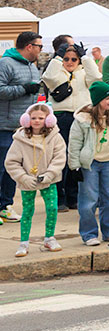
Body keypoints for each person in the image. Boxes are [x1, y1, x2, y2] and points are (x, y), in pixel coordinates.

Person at [69, 81, 109, 246]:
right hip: (90, 163)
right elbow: (74, 143)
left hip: (108, 162)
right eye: (107, 98)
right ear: (98, 99)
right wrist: (74, 166)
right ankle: (89, 234)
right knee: (89, 199)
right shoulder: (83, 119)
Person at [7, 102, 66, 256]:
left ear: (49, 120)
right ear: (26, 119)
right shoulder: (19, 139)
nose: (37, 121)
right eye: (33, 118)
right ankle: (24, 242)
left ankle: (49, 238)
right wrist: (23, 177)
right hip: (28, 181)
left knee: (52, 209)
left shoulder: (56, 137)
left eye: (41, 118)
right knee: (27, 211)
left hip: (48, 180)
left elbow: (59, 158)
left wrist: (50, 174)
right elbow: (11, 162)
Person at [42, 41, 94, 208]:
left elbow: (96, 78)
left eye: (74, 59)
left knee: (76, 156)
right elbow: (48, 78)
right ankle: (59, 196)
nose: (70, 62)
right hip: (61, 117)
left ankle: (74, 196)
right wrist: (57, 58)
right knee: (60, 157)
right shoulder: (57, 72)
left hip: (80, 117)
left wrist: (85, 57)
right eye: (66, 59)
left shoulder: (83, 73)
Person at [0, 31, 45, 223]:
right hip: (4, 126)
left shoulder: (33, 67)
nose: (41, 50)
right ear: (29, 47)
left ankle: (5, 206)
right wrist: (24, 89)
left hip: (22, 129)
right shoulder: (5, 64)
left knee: (14, 170)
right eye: (39, 46)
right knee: (1, 168)